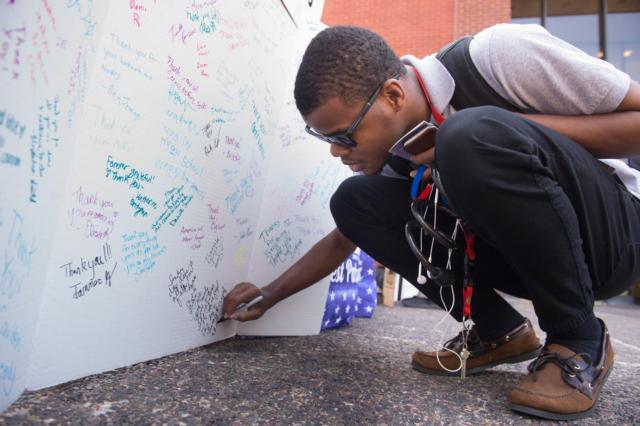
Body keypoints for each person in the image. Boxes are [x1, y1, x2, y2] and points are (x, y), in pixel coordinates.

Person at [223, 23, 640, 420]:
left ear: (392, 95)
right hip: (534, 256)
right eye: (326, 138)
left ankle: (577, 339)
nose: (336, 151)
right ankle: (500, 331)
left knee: (468, 134)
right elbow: (343, 239)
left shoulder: (499, 57)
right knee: (355, 200)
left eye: (343, 136)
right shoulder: (400, 151)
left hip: (613, 236)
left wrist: (499, 127)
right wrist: (269, 294)